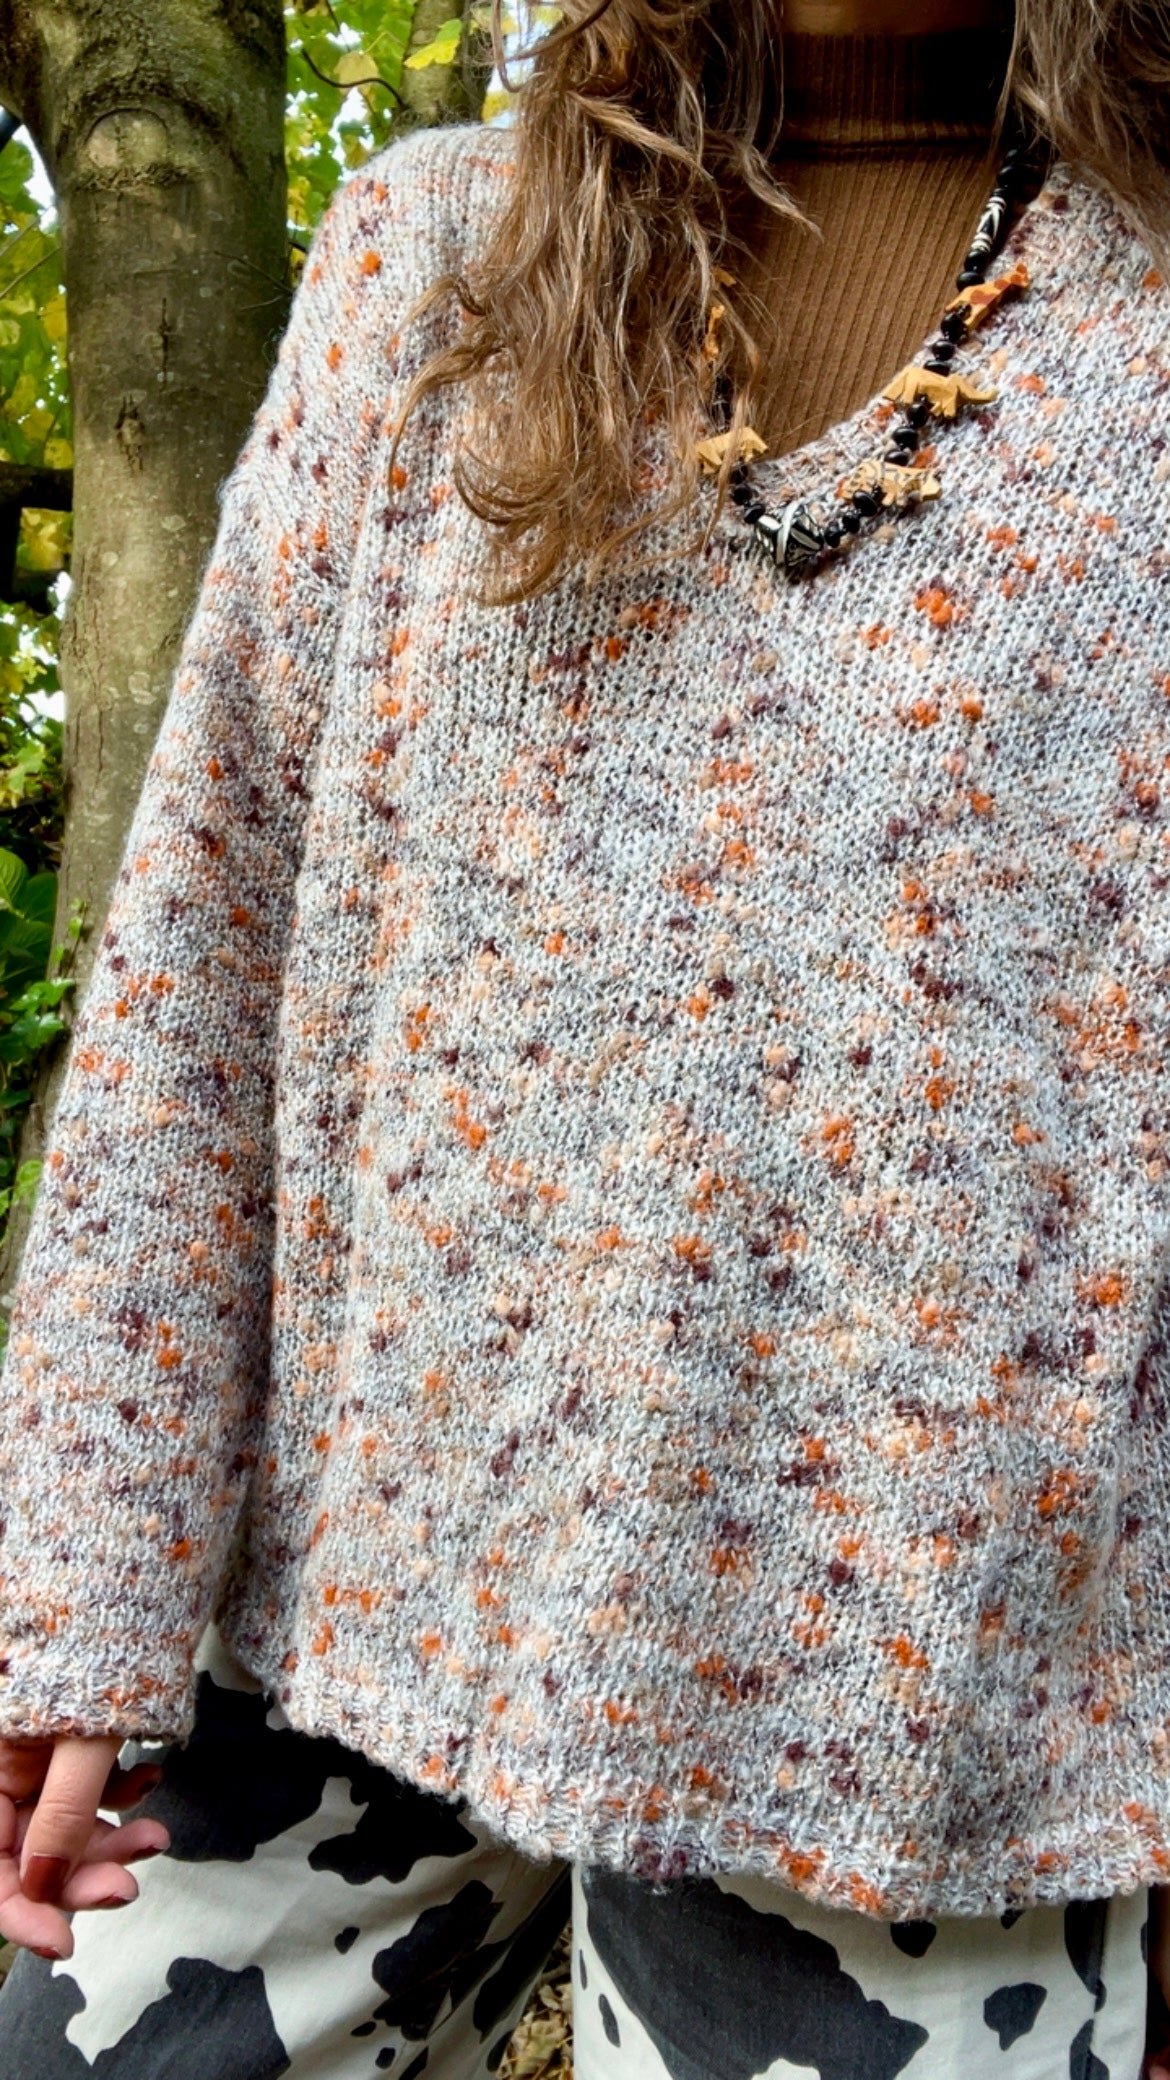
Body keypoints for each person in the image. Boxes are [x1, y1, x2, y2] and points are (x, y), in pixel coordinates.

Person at [0, 0, 1168, 2069]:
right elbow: (204, 947)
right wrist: (75, 1592)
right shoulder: (437, 262)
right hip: (344, 1590)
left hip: (915, 1706)